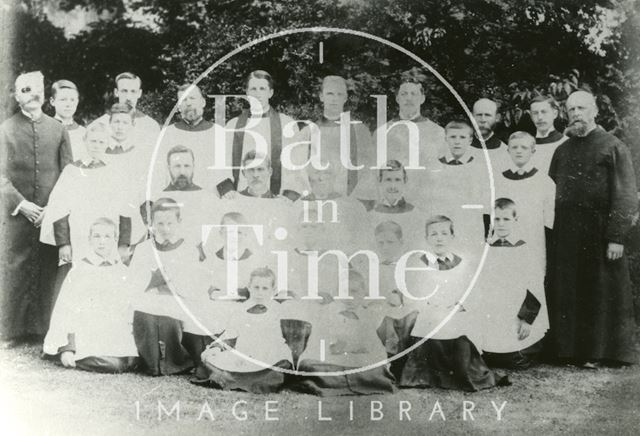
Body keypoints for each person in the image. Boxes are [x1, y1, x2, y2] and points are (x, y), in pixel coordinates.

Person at [548, 90, 638, 367]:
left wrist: (616, 237)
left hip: (600, 235)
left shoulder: (613, 146)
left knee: (599, 293)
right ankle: (569, 351)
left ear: (595, 110)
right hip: (567, 235)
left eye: (582, 108)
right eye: (571, 109)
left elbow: (625, 195)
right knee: (570, 291)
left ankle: (600, 353)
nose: (576, 114)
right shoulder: (562, 150)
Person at [0, 71, 73, 341]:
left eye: (38, 89)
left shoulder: (58, 129)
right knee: (14, 269)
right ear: (17, 96)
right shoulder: (5, 129)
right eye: (26, 90)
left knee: (47, 269)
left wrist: (53, 210)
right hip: (15, 216)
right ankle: (11, 331)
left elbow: (69, 175)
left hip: (50, 216)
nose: (34, 95)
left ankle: (44, 330)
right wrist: (22, 205)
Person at [399, 215, 503, 391]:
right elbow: (415, 292)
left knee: (458, 328)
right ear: (427, 239)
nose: (439, 238)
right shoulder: (420, 263)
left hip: (455, 310)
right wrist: (430, 307)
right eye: (433, 234)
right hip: (430, 311)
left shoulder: (463, 263)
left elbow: (472, 290)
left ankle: (460, 372)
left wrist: (459, 305)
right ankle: (427, 374)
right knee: (427, 325)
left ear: (452, 237)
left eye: (444, 233)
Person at [40, 123, 135, 300]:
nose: (96, 145)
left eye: (101, 141)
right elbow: (59, 209)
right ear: (84, 141)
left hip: (107, 237)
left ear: (107, 142)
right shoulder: (72, 171)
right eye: (92, 141)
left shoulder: (117, 170)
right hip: (78, 235)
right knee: (77, 282)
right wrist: (64, 243)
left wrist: (123, 243)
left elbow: (126, 209)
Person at [42, 217, 139, 373]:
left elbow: (129, 308)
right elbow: (66, 309)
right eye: (97, 236)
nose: (102, 242)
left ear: (115, 239)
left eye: (107, 237)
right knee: (115, 366)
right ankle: (73, 357)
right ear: (89, 240)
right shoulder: (79, 270)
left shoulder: (122, 271)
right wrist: (68, 347)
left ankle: (113, 356)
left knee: (130, 361)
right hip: (86, 328)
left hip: (113, 329)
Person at [128, 198, 204, 375]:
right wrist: (155, 282)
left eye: (170, 223)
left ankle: (175, 362)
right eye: (159, 223)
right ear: (152, 224)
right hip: (149, 297)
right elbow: (135, 283)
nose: (165, 228)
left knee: (169, 318)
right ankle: (151, 363)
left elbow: (191, 284)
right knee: (145, 313)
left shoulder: (188, 249)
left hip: (178, 298)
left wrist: (169, 283)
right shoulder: (144, 249)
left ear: (179, 222)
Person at [289, 270, 396, 396]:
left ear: (363, 293)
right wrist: (332, 347)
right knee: (309, 366)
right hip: (332, 361)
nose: (349, 297)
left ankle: (337, 383)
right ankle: (356, 382)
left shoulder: (367, 316)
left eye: (354, 292)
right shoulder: (328, 313)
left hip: (357, 361)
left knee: (377, 367)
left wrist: (356, 349)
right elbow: (319, 343)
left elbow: (374, 347)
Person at [473, 199, 548, 369]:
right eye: (496, 219)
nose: (501, 224)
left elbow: (535, 286)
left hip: (516, 312)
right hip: (492, 311)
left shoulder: (524, 249)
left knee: (514, 358)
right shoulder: (485, 249)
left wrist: (527, 319)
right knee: (486, 355)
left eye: (506, 219)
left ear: (515, 220)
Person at [194, 267, 295, 394]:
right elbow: (231, 334)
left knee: (279, 366)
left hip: (269, 353)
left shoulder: (277, 311)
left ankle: (231, 379)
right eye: (256, 287)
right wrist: (216, 347)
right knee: (210, 357)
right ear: (249, 287)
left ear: (273, 290)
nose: (260, 292)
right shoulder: (240, 310)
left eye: (265, 288)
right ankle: (233, 378)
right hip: (243, 351)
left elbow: (279, 339)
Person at [281, 75, 374, 200]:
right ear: (321, 96)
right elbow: (296, 173)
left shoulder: (359, 132)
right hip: (315, 201)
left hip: (349, 202)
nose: (334, 99)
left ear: (345, 98)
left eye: (339, 94)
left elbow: (368, 171)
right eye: (330, 93)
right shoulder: (307, 133)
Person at [224, 70, 298, 196]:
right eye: (253, 89)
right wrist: (227, 189)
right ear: (247, 93)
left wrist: (290, 193)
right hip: (240, 197)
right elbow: (223, 162)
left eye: (262, 89)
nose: (257, 94)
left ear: (270, 93)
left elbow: (296, 165)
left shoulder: (287, 124)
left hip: (277, 198)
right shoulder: (233, 125)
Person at [152, 84, 231, 196]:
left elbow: (225, 169)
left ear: (203, 102)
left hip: (210, 197)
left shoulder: (218, 132)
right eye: (183, 100)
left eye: (192, 98)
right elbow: (161, 170)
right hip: (176, 197)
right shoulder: (168, 133)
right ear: (179, 107)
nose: (188, 103)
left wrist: (225, 189)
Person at [496, 131, 555, 276]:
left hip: (534, 242)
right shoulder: (499, 180)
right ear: (508, 150)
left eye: (524, 147)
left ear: (533, 151)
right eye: (514, 147)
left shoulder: (544, 181)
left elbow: (549, 220)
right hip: (505, 242)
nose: (519, 151)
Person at [90, 72, 160, 147]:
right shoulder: (100, 123)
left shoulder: (151, 126)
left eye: (133, 91)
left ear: (139, 93)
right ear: (116, 92)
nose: (128, 97)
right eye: (124, 91)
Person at [529, 95, 567, 173]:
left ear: (555, 114)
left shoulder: (566, 143)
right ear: (531, 117)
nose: (540, 117)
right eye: (535, 113)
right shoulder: (525, 146)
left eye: (544, 112)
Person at [50, 80, 86, 161]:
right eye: (63, 99)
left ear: (77, 102)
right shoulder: (45, 129)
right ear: (52, 101)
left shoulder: (83, 132)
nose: (68, 104)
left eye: (72, 100)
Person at [470, 98, 509, 172]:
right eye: (478, 115)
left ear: (497, 118)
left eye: (487, 115)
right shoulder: (461, 147)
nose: (483, 120)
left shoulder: (504, 151)